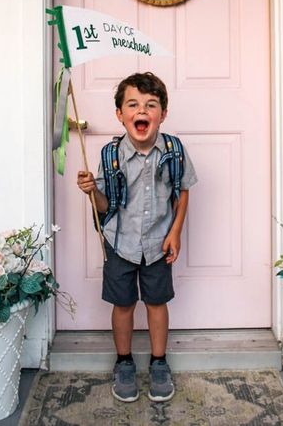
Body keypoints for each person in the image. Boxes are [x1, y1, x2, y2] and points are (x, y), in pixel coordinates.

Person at [77, 71, 197, 403]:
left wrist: (176, 232)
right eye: (132, 104)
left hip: (159, 243)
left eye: (150, 104)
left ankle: (159, 362)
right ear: (120, 114)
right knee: (124, 303)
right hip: (119, 242)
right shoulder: (109, 155)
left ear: (162, 113)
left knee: (157, 302)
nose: (141, 110)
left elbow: (182, 192)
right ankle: (124, 361)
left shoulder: (173, 150)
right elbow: (105, 205)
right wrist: (91, 191)